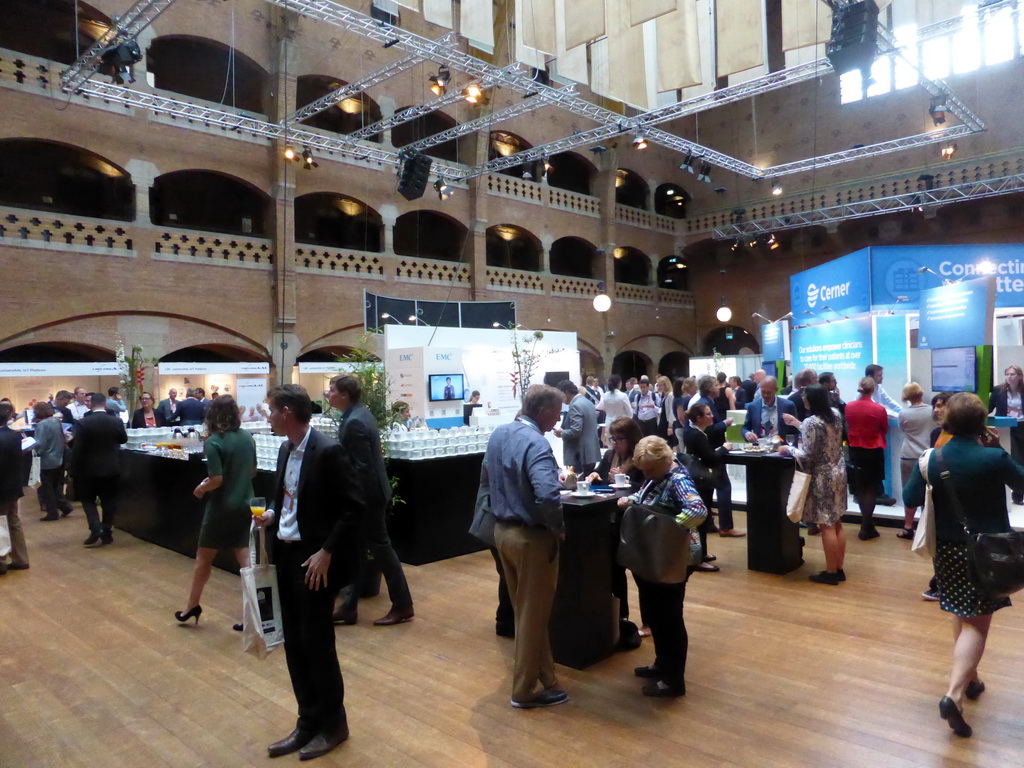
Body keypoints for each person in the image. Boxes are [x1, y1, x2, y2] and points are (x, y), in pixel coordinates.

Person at [902, 392, 1024, 739]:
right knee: (977, 625)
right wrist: (998, 449)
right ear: (983, 423)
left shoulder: (931, 457)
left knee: (961, 611)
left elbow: (911, 499)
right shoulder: (993, 457)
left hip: (948, 550)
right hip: (987, 552)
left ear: (947, 422)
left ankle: (971, 680)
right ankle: (954, 694)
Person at [253, 384, 365, 760]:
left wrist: (327, 551)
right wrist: (271, 514)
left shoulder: (329, 451)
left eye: (271, 411)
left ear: (286, 411)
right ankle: (307, 721)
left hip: (314, 561)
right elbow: (286, 496)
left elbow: (354, 508)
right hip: (285, 556)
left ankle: (334, 725)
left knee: (317, 645)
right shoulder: (286, 449)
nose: (268, 417)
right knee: (295, 644)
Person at [480, 384, 567, 709]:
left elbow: (486, 479)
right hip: (532, 538)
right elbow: (547, 494)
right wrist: (558, 528)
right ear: (543, 411)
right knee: (533, 614)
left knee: (526, 609)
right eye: (557, 412)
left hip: (503, 533)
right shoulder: (537, 443)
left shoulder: (500, 433)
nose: (558, 418)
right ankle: (525, 689)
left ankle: (547, 677)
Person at [617, 436, 708, 697]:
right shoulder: (659, 477)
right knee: (656, 613)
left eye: (648, 470)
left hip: (673, 557)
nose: (645, 474)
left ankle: (673, 680)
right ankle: (662, 664)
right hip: (657, 555)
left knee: (669, 618)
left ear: (664, 461)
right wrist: (632, 500)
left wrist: (669, 527)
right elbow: (647, 495)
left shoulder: (678, 479)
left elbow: (697, 510)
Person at [327, 374, 413, 627]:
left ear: (344, 395)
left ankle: (403, 604)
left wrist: (354, 502)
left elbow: (361, 468)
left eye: (332, 390)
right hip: (372, 495)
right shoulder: (358, 414)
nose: (328, 393)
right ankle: (349, 606)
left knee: (381, 549)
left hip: (368, 498)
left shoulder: (355, 421)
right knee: (359, 549)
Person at [173, 395, 257, 626]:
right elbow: (252, 472)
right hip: (245, 504)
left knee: (204, 559)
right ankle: (253, 614)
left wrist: (201, 488)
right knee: (246, 562)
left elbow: (216, 479)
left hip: (221, 508)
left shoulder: (213, 441)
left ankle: (192, 605)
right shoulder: (248, 438)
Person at [778, 385, 848, 584]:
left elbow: (807, 456)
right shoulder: (834, 414)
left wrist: (788, 449)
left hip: (822, 477)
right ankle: (839, 568)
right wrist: (798, 424)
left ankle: (831, 572)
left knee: (825, 524)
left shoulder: (811, 422)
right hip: (839, 472)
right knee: (837, 521)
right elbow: (823, 434)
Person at [587, 416, 645, 625]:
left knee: (640, 574)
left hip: (632, 522)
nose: (615, 443)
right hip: (611, 521)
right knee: (615, 570)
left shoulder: (640, 459)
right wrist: (595, 475)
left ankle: (648, 621)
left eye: (619, 439)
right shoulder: (611, 455)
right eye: (612, 439)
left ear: (630, 439)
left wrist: (626, 480)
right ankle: (621, 617)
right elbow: (600, 473)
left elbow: (646, 488)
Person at [684, 402, 739, 572]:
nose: (712, 416)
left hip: (697, 479)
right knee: (701, 519)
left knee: (703, 518)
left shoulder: (691, 432)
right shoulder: (698, 435)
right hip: (702, 481)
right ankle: (698, 558)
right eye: (708, 414)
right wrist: (724, 448)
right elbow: (710, 458)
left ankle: (702, 553)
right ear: (699, 418)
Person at [70, 392, 128, 547]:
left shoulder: (83, 423)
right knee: (109, 501)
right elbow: (123, 439)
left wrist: (72, 470)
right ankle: (107, 531)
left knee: (88, 500)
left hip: (88, 470)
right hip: (111, 468)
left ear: (91, 404)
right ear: (105, 404)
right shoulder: (116, 421)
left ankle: (95, 528)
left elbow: (78, 449)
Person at [845, 377, 889, 541]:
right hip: (874, 450)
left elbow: (848, 425)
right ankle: (866, 524)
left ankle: (867, 524)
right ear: (873, 390)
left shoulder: (849, 406)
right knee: (871, 488)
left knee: (861, 487)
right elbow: (884, 429)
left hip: (855, 450)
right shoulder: (878, 409)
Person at [897, 382, 933, 540]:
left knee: (909, 492)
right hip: (928, 456)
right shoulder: (933, 411)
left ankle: (908, 527)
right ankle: (927, 527)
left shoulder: (903, 413)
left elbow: (902, 429)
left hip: (909, 456)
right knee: (929, 494)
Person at [0, 401, 30, 573]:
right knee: (13, 521)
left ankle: (1, 561)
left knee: (0, 523)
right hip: (13, 486)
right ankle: (21, 558)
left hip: (1, 487)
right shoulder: (15, 436)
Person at [987, 364, 1024, 505]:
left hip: (1022, 426)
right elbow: (989, 407)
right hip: (1006, 428)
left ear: (1019, 376)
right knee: (1016, 459)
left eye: (1012, 374)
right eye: (1007, 374)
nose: (1009, 377)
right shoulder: (998, 390)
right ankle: (1017, 494)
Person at [33, 401, 73, 522]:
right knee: (56, 485)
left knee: (47, 488)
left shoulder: (42, 425)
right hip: (59, 458)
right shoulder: (56, 421)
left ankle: (52, 513)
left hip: (47, 460)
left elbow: (41, 444)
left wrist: (34, 449)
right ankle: (65, 507)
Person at [553, 379, 601, 477]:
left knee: (580, 484)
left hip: (580, 454)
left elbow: (576, 431)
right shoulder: (588, 402)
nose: (561, 400)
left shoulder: (575, 406)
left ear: (566, 393)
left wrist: (562, 433)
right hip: (591, 452)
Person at [743, 376, 798, 442]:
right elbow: (745, 428)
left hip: (781, 448)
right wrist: (747, 434)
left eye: (769, 393)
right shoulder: (753, 406)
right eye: (763, 392)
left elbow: (795, 431)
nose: (766, 395)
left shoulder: (788, 406)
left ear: (776, 390)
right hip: (759, 448)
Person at [596, 376, 633, 446]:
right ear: (619, 383)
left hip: (609, 422)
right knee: (622, 446)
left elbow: (600, 407)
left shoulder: (605, 395)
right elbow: (630, 413)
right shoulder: (623, 396)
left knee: (611, 446)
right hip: (620, 424)